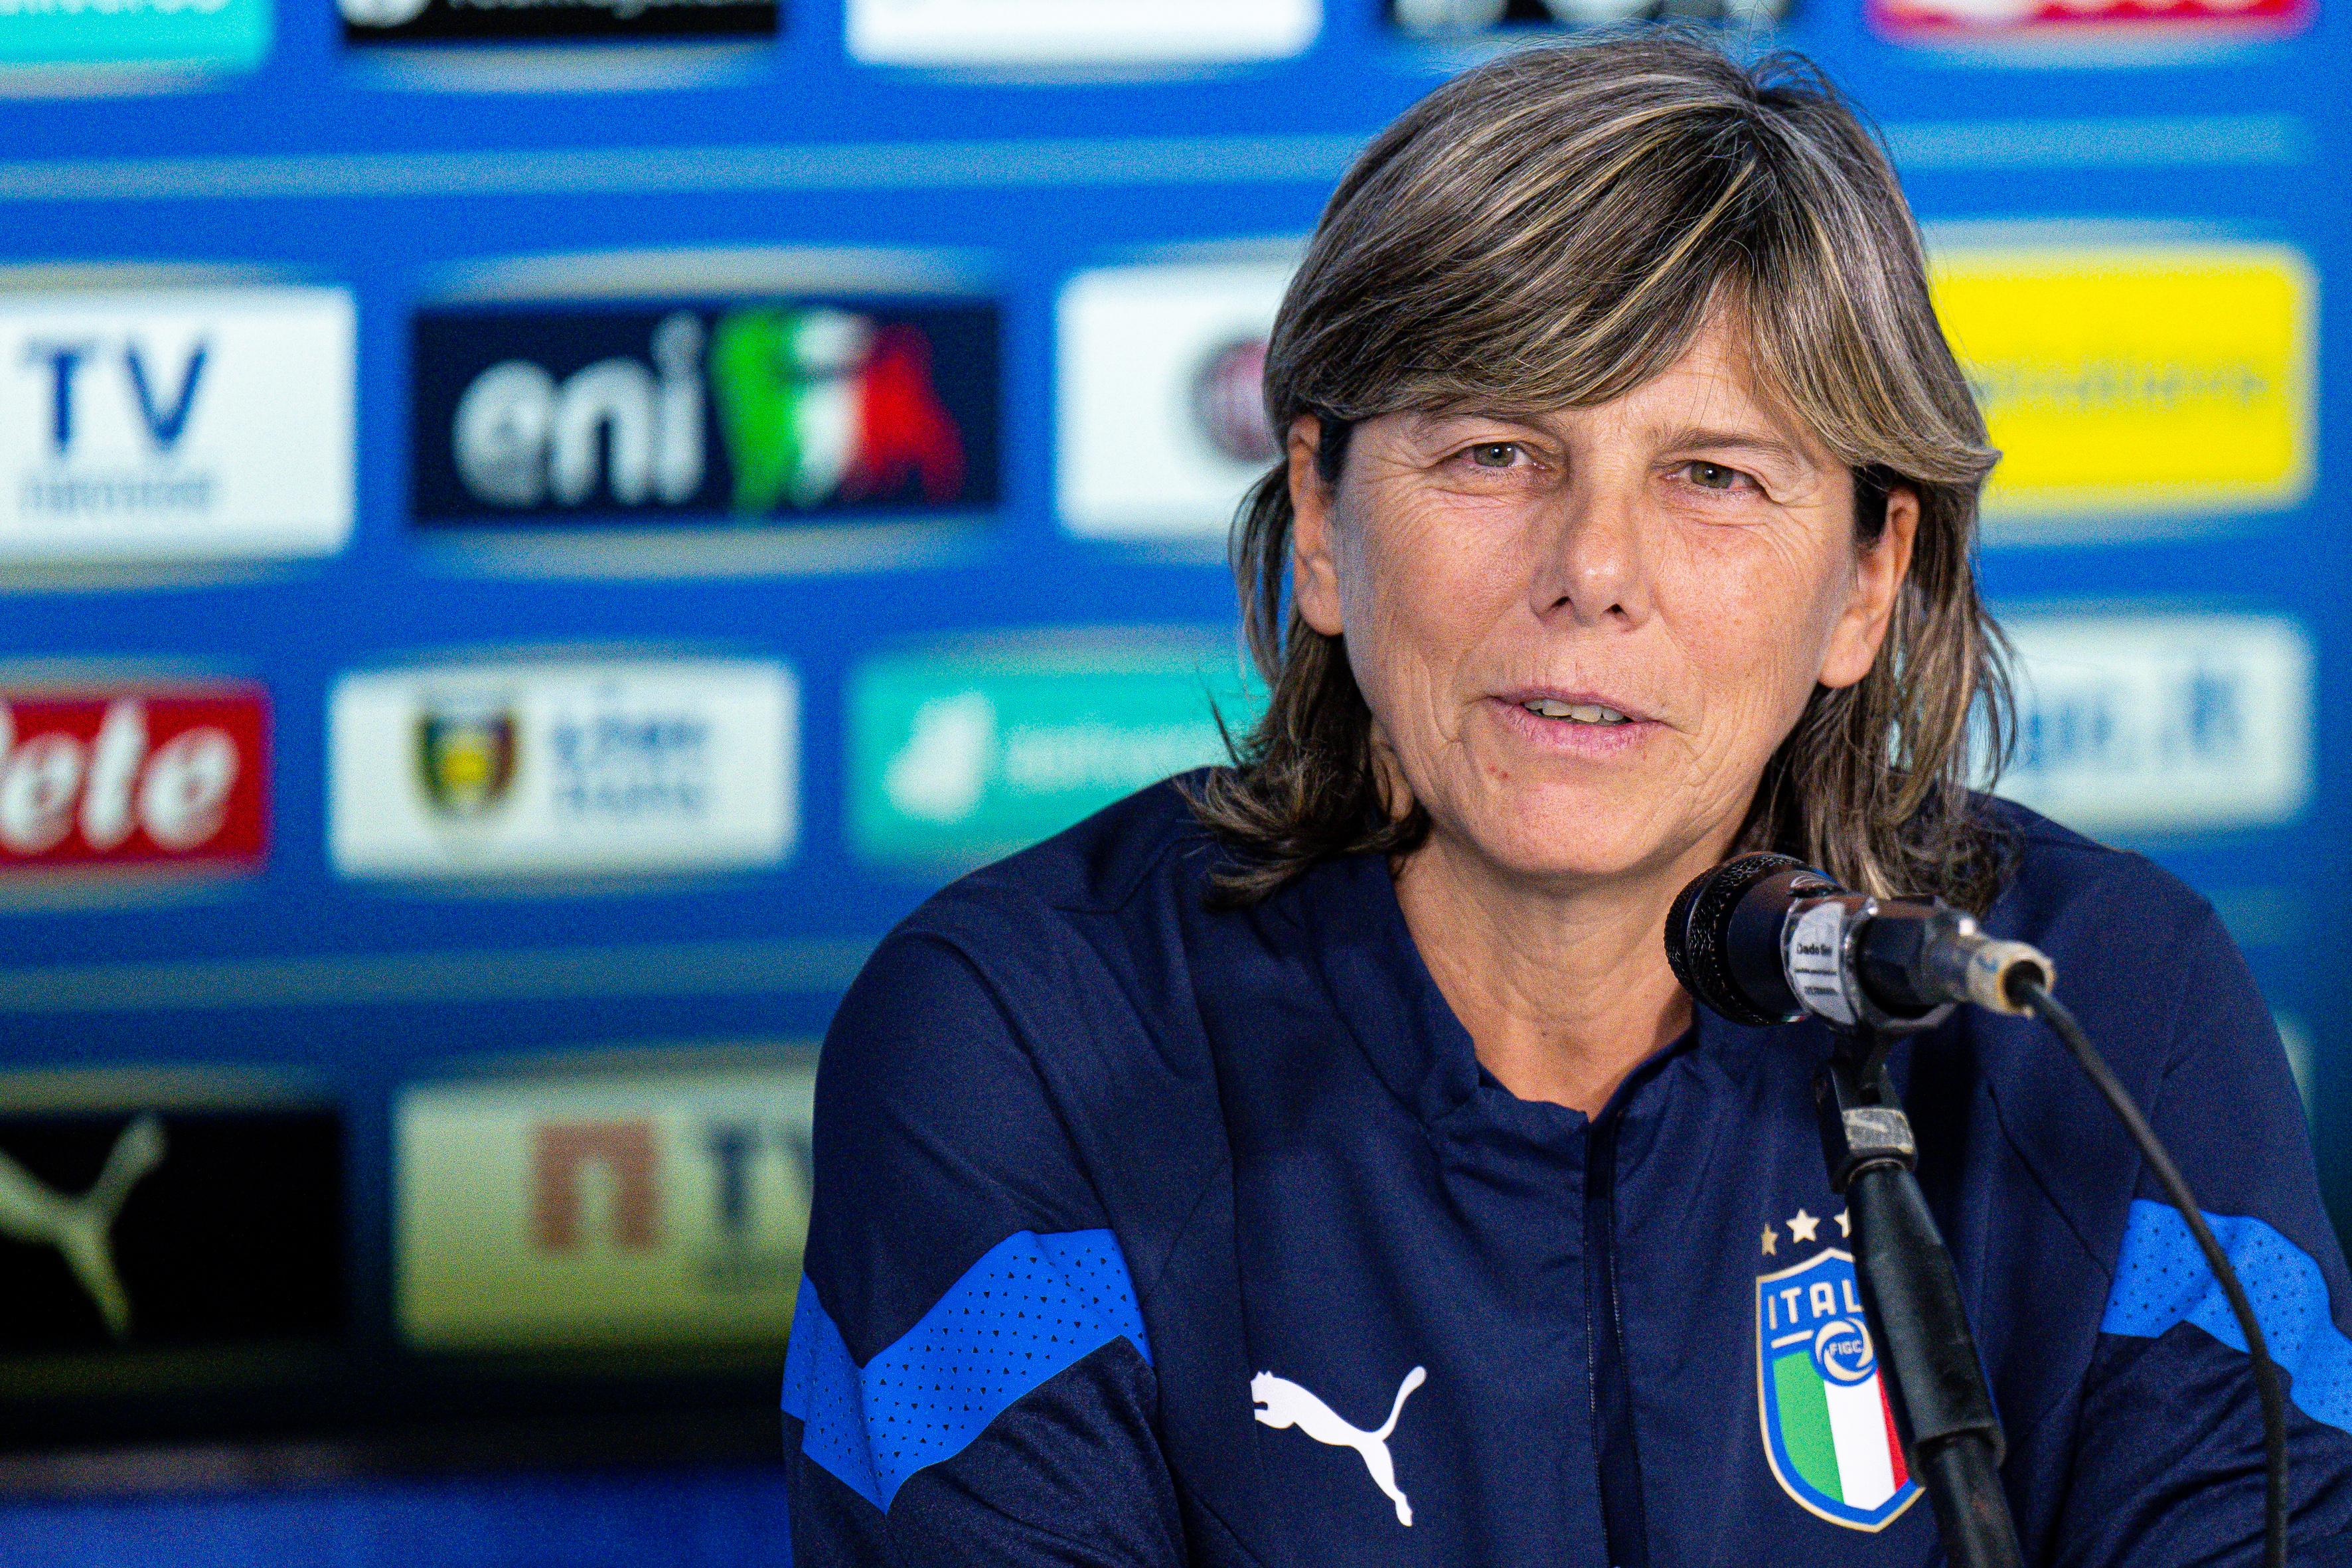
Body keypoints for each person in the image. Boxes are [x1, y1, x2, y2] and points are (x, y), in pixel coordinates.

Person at [782, 31, 2352, 1566]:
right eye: (1493, 451)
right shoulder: (1021, 1037)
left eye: (1712, 475)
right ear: (1318, 517)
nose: (1591, 570)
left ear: (1867, 579)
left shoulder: (2101, 1009)